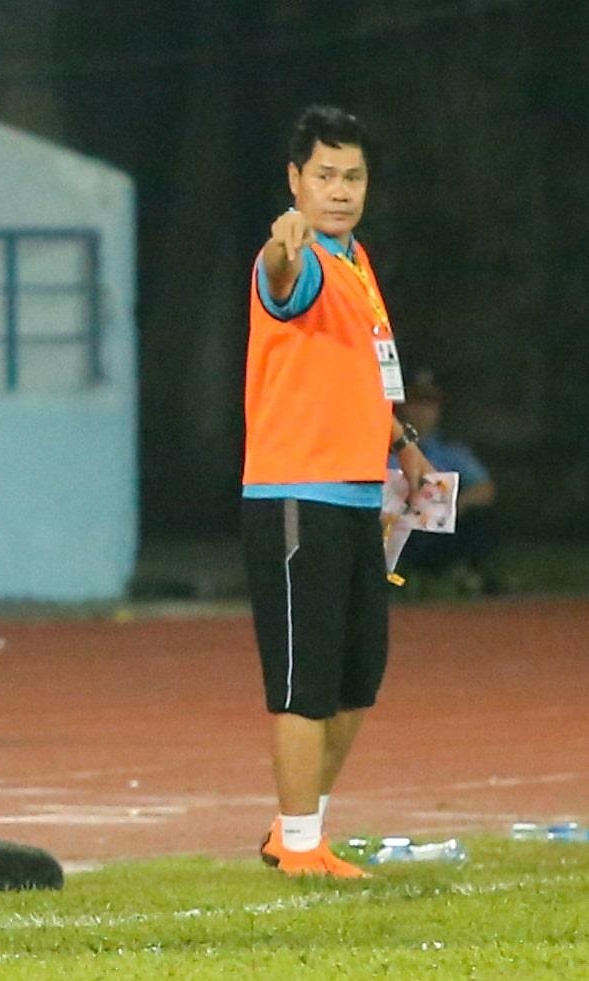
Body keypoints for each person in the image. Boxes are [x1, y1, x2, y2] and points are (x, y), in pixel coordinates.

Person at [242, 106, 434, 879]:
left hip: (358, 499)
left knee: (357, 681)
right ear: (295, 180)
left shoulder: (356, 263)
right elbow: (280, 279)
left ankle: (293, 826)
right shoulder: (303, 259)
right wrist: (280, 247)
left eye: (351, 176)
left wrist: (404, 444)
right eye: (323, 175)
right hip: (297, 494)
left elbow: (362, 376)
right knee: (303, 682)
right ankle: (297, 848)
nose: (339, 189)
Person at [395, 371, 503, 593]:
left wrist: (456, 504)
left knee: (482, 516)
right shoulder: (386, 449)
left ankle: (466, 574)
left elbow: (485, 488)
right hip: (399, 527)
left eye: (429, 404)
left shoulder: (451, 450)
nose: (422, 412)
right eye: (416, 403)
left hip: (442, 527)